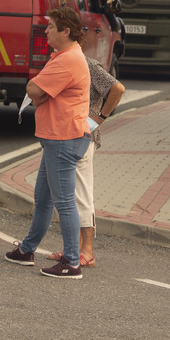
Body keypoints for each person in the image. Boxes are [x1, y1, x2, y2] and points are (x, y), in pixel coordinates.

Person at [5, 7, 92, 279]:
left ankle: (71, 262)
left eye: (51, 27)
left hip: (63, 137)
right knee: (43, 198)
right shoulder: (65, 56)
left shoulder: (67, 60)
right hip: (58, 137)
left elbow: (33, 90)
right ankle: (27, 249)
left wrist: (36, 88)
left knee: (64, 201)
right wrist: (39, 91)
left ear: (66, 31)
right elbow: (38, 92)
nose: (46, 31)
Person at [46, 58, 125, 267]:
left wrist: (98, 118)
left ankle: (86, 251)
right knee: (70, 194)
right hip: (67, 135)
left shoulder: (87, 64)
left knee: (81, 193)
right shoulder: (64, 62)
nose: (46, 33)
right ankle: (73, 248)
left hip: (83, 136)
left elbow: (117, 88)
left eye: (51, 27)